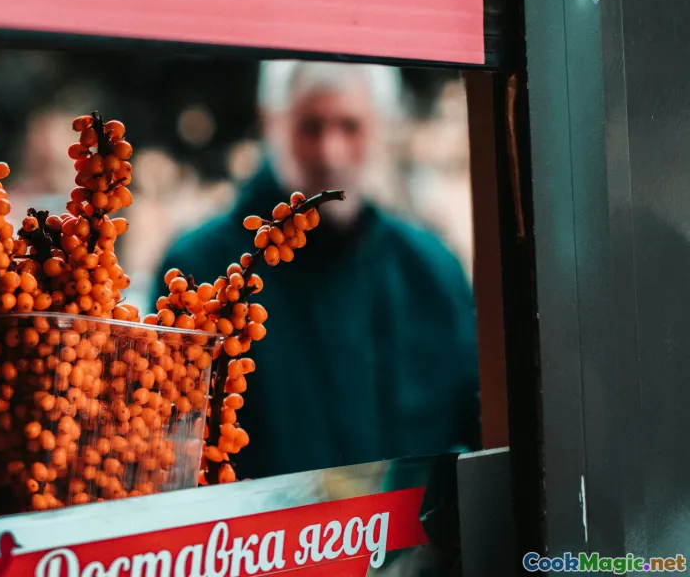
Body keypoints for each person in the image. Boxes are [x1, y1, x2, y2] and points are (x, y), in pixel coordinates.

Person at [156, 60, 480, 479]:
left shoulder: (431, 271)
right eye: (311, 127)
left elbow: (478, 424)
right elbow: (173, 458)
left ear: (381, 126)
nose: (331, 152)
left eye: (350, 126)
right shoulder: (200, 271)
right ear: (273, 124)